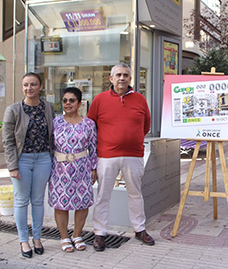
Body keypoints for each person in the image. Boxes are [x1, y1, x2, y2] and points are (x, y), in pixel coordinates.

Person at [87, 63, 154, 251]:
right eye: (118, 75)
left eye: (125, 75)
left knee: (135, 194)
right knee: (103, 195)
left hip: (133, 155)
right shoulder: (99, 100)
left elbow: (145, 126)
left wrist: (131, 139)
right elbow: (91, 128)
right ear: (111, 79)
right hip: (106, 156)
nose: (122, 78)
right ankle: (100, 233)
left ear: (130, 79)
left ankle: (139, 229)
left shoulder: (140, 100)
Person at [2, 72, 55, 258]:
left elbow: (52, 135)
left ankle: (38, 238)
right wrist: (13, 166)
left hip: (43, 159)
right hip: (22, 160)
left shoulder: (48, 108)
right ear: (22, 87)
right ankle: (24, 241)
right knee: (21, 201)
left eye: (33, 84)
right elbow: (7, 141)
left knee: (38, 200)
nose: (29, 88)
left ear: (40, 87)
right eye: (26, 85)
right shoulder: (13, 110)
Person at [48, 87, 97, 252]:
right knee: (61, 204)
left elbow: (93, 148)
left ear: (79, 103)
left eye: (72, 100)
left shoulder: (89, 124)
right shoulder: (55, 123)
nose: (68, 104)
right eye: (65, 100)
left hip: (82, 168)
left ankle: (77, 235)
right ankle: (64, 237)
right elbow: (49, 147)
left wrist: (94, 168)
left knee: (82, 203)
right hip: (59, 169)